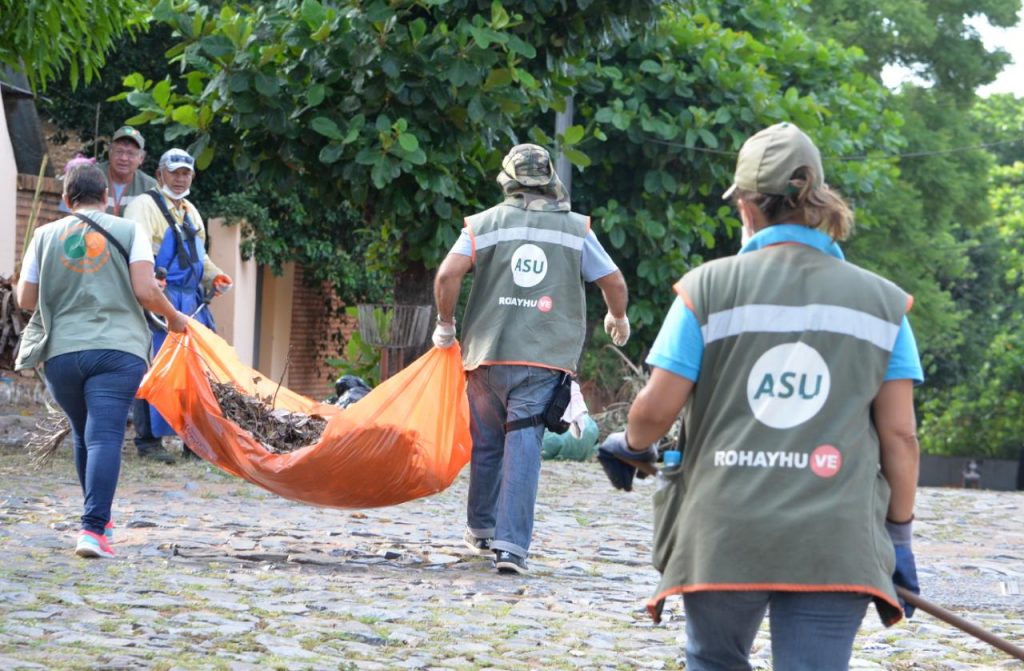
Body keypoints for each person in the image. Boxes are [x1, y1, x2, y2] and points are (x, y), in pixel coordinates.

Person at [598, 122, 923, 670]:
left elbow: (655, 410)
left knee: (714, 659)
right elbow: (900, 436)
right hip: (835, 537)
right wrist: (899, 534)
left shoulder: (705, 289)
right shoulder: (882, 304)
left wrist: (629, 445)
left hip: (725, 530)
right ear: (816, 199)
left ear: (747, 206)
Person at [433, 143, 630, 575]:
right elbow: (613, 281)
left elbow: (447, 274)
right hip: (542, 361)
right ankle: (511, 550)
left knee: (487, 443)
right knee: (522, 444)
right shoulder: (575, 230)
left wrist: (446, 325)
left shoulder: (483, 224)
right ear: (549, 179)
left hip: (487, 357)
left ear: (506, 180)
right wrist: (618, 317)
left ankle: (481, 529)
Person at [14, 164, 188, 559]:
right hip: (117, 350)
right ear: (107, 197)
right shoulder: (129, 230)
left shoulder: (44, 235)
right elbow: (145, 290)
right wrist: (174, 317)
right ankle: (93, 530)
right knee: (105, 435)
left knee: (84, 434)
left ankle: (98, 522)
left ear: (66, 199)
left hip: (62, 354)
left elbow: (25, 299)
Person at [123, 148, 232, 463]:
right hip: (159, 298)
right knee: (156, 369)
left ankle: (193, 441)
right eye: (174, 172)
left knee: (195, 373)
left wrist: (215, 276)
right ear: (160, 174)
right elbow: (136, 252)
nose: (180, 178)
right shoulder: (143, 206)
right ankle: (149, 442)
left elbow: (200, 257)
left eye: (186, 173)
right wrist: (149, 286)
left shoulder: (191, 211)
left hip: (191, 300)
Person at [94, 126, 157, 216]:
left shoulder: (150, 187)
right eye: (119, 151)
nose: (124, 158)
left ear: (141, 158)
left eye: (130, 153)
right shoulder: (90, 177)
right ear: (110, 153)